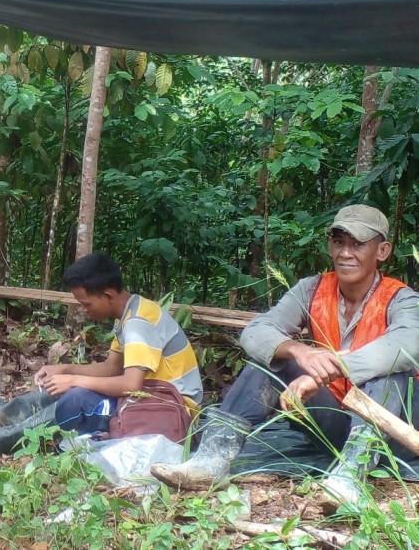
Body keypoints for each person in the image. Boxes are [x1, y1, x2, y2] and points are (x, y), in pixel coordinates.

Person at [152, 204, 419, 510]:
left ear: (382, 251)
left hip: (395, 435)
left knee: (392, 373)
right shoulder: (312, 288)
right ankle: (212, 461)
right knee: (271, 361)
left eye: (358, 244)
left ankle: (350, 478)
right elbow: (257, 331)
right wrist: (297, 350)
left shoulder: (402, 298)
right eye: (338, 242)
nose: (346, 253)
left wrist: (329, 370)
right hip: (335, 423)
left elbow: (405, 345)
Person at [0, 252, 203, 459]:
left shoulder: (138, 323)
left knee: (77, 398)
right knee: (65, 387)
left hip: (169, 411)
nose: (84, 311)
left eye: (86, 304)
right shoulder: (131, 313)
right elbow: (112, 369)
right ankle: (4, 416)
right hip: (149, 399)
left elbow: (130, 384)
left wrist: (74, 381)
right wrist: (66, 371)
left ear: (108, 295)